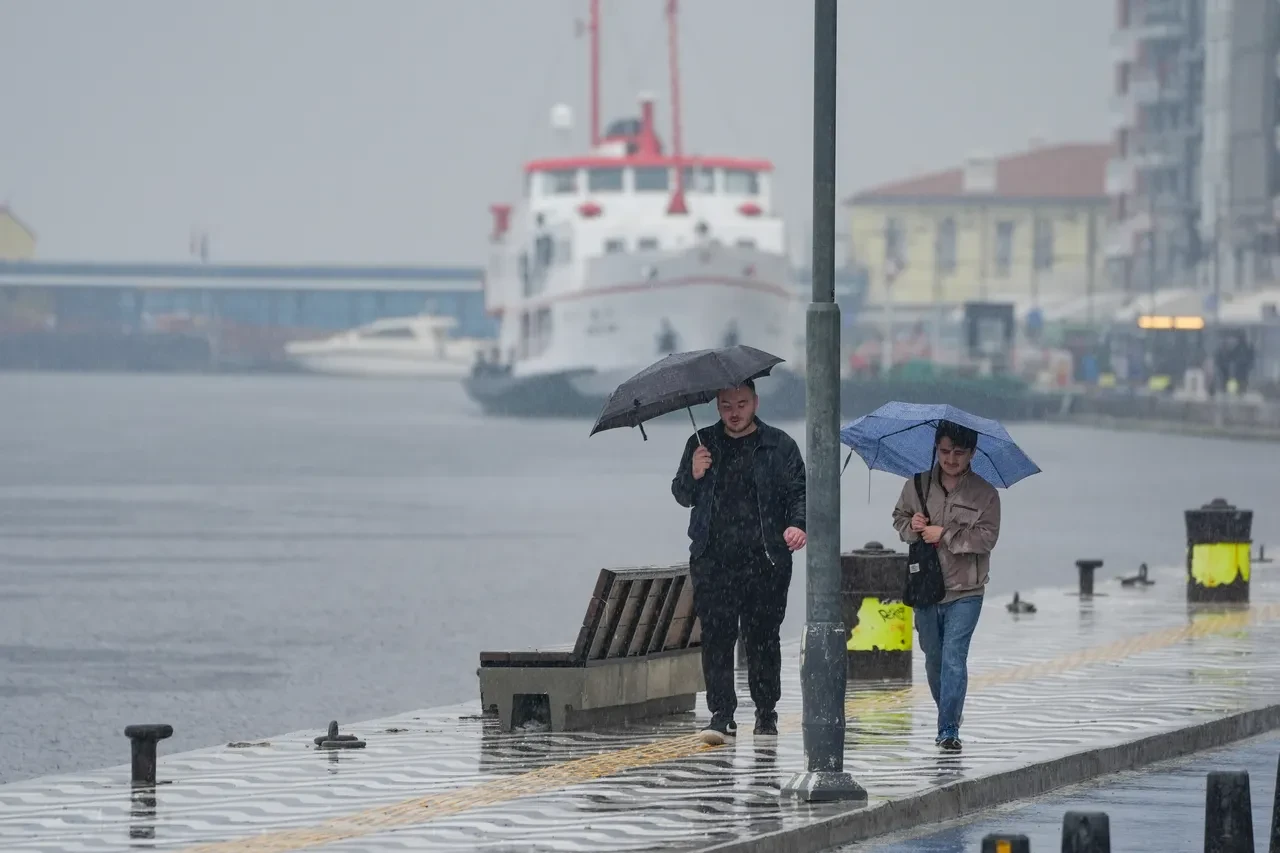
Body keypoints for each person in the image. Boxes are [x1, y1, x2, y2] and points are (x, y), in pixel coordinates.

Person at [671, 380, 806, 745]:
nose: (734, 411)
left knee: (762, 637)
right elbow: (682, 494)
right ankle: (721, 715)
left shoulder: (779, 445)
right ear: (717, 405)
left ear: (755, 402)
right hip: (713, 558)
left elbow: (798, 491)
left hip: (766, 559)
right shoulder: (701, 443)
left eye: (742, 403)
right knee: (716, 637)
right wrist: (693, 473)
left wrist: (797, 525)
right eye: (727, 404)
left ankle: (766, 712)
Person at [891, 420, 1000, 753]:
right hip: (925, 587)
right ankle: (949, 710)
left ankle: (948, 729)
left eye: (959, 453)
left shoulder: (985, 494)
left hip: (966, 590)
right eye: (944, 451)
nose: (950, 459)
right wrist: (913, 524)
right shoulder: (917, 484)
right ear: (935, 449)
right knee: (933, 659)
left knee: (954, 658)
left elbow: (987, 538)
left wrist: (946, 535)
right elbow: (899, 519)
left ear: (972, 454)